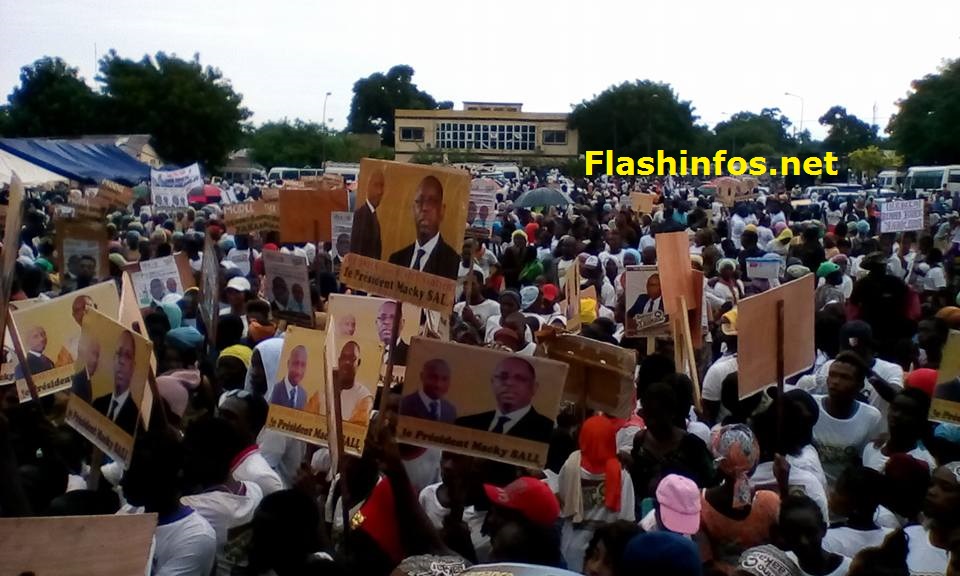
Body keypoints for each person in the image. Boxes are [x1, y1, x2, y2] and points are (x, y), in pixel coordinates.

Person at [121, 430, 217, 576]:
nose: (122, 482)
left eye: (135, 478)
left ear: (160, 479)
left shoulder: (196, 536)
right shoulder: (131, 510)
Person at [181, 417, 264, 576]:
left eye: (188, 454)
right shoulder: (256, 492)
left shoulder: (196, 507)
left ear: (205, 458)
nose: (184, 461)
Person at [557, 414, 636, 571]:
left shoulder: (571, 465)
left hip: (572, 542)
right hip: (604, 553)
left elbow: (562, 501)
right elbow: (627, 518)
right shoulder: (621, 473)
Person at [700, 425, 780, 572]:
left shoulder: (701, 503)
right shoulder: (770, 502)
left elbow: (706, 563)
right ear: (755, 463)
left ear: (717, 462)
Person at [812, 351, 882, 487]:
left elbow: (865, 463)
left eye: (845, 377)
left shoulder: (871, 417)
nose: (835, 382)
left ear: (860, 385)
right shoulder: (811, 406)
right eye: (832, 375)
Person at [455, 356, 554, 443]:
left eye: (520, 378)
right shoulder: (466, 424)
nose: (509, 383)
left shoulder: (548, 432)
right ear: (493, 382)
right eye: (503, 377)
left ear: (534, 387)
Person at [388, 175, 460, 280]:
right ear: (413, 209)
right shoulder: (396, 260)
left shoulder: (453, 263)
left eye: (432, 202)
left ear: (442, 210)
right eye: (419, 201)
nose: (424, 208)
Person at [217, 390, 284, 496]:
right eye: (219, 414)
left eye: (229, 417)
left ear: (253, 427)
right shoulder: (215, 461)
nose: (219, 422)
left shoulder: (263, 479)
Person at [862, 388, 936, 472]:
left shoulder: (923, 462)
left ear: (921, 418)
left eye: (907, 412)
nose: (897, 415)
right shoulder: (871, 448)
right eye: (894, 408)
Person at [778, 495, 851, 576]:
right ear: (783, 536)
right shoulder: (780, 565)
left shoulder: (850, 570)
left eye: (810, 532)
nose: (804, 541)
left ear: (823, 529)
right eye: (794, 534)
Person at [93, 329, 139, 434]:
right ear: (113, 360)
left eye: (127, 356)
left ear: (133, 367)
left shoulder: (136, 419)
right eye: (119, 353)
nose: (121, 361)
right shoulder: (97, 404)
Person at [399, 358, 457, 423]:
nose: (438, 385)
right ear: (422, 376)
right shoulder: (405, 404)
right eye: (433, 378)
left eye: (444, 379)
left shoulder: (450, 411)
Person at [333, 341, 373, 424]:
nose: (347, 362)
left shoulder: (364, 398)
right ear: (339, 361)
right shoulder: (322, 393)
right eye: (344, 357)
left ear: (358, 363)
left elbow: (355, 431)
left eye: (352, 359)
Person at [351, 167, 384, 259]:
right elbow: (357, 250)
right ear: (368, 187)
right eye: (376, 185)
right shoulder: (361, 215)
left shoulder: (373, 215)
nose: (380, 192)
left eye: (382, 186)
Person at [269, 345, 307, 410]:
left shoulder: (303, 395)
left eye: (303, 365)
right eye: (295, 363)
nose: (298, 371)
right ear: (288, 363)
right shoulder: (275, 390)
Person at [377, 300, 408, 368]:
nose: (387, 322)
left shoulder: (410, 355)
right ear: (376, 323)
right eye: (382, 318)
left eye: (393, 318)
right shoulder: (367, 353)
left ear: (402, 323)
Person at [70, 333, 99, 403]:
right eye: (93, 353)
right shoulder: (78, 380)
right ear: (86, 354)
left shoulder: (87, 380)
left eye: (97, 355)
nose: (95, 360)